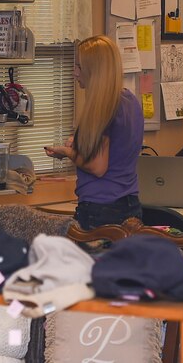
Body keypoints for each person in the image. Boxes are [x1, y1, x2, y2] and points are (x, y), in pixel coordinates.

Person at [44, 35, 144, 229]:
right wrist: (80, 145)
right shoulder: (130, 101)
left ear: (93, 70)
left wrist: (68, 152)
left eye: (79, 67)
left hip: (100, 209)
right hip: (130, 205)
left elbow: (98, 167)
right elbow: (117, 148)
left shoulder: (101, 108)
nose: (74, 72)